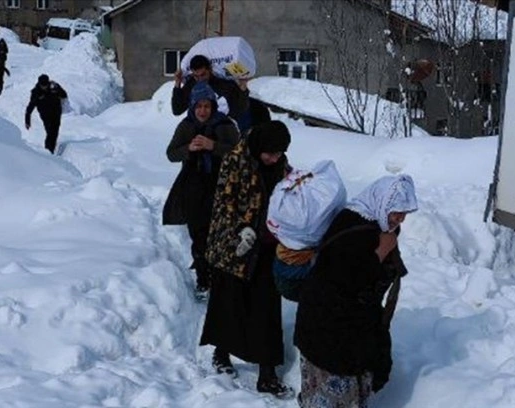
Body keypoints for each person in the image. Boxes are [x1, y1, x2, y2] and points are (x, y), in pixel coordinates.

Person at [294, 174, 418, 408]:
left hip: (341, 327)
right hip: (327, 328)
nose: (400, 219)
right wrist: (380, 252)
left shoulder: (376, 226)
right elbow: (344, 281)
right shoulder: (354, 228)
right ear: (381, 202)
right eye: (396, 211)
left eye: (405, 213)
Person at [202, 120, 295, 399]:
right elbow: (223, 202)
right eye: (270, 153)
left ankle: (267, 375)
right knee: (229, 302)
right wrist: (239, 230)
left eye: (279, 153)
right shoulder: (235, 160)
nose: (274, 158)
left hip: (267, 247)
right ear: (258, 147)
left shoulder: (282, 166)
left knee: (266, 308)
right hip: (235, 248)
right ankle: (221, 353)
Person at [162, 82, 240, 300]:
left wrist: (212, 146)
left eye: (206, 106)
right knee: (198, 233)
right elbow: (171, 153)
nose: (203, 111)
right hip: (193, 187)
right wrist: (189, 149)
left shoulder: (225, 125)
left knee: (222, 232)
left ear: (213, 106)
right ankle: (203, 278)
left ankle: (221, 277)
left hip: (222, 185)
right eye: (199, 106)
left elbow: (238, 153)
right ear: (193, 107)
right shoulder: (186, 126)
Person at [172, 55, 250, 123]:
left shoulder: (224, 85)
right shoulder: (191, 85)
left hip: (221, 129)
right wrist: (177, 84)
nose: (200, 79)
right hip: (196, 129)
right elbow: (177, 110)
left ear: (210, 69)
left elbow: (240, 110)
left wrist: (243, 87)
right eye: (196, 76)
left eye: (203, 75)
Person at [25, 74, 68, 154]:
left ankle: (51, 150)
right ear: (39, 84)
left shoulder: (54, 87)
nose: (44, 87)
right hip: (45, 115)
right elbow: (30, 107)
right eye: (42, 85)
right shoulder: (36, 92)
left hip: (56, 113)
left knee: (55, 132)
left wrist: (57, 89)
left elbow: (64, 95)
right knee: (50, 132)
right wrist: (27, 120)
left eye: (46, 85)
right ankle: (48, 152)